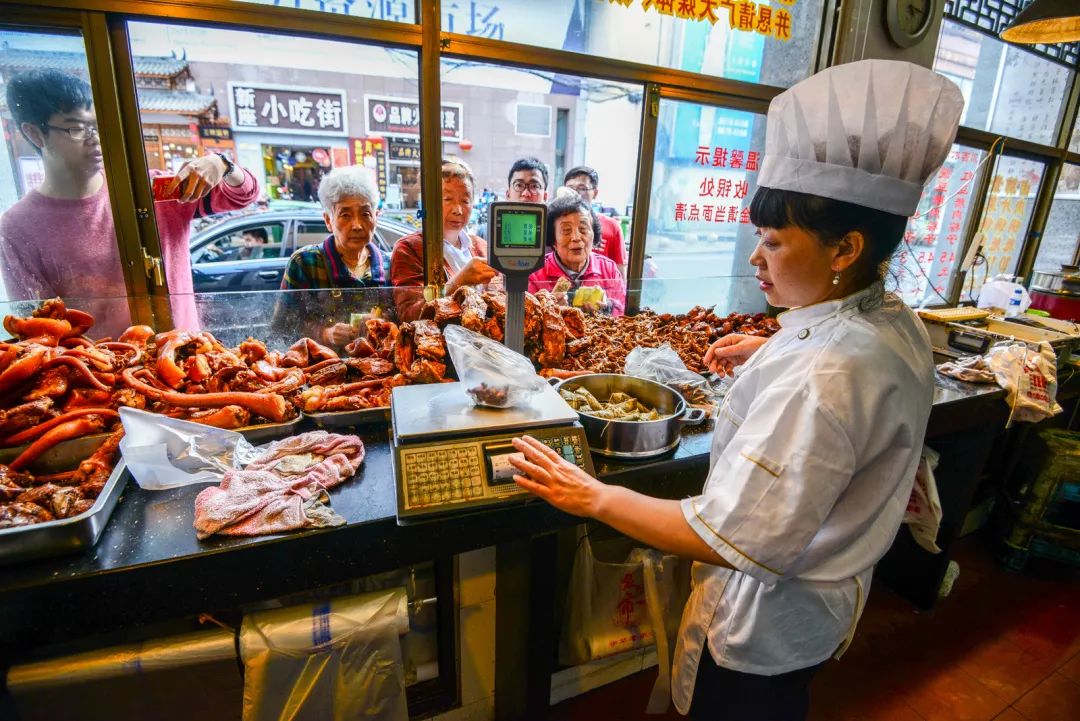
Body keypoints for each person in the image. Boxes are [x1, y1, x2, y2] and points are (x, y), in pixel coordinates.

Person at [508, 60, 964, 720]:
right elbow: (840, 353)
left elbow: (726, 533)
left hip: (765, 625)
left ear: (845, 249)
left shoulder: (826, 377)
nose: (756, 260)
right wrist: (773, 347)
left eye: (775, 243)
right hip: (821, 611)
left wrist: (595, 495)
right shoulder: (893, 320)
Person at [0, 70, 259, 335]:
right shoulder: (18, 226)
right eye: (77, 128)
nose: (96, 139)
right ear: (34, 134)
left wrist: (222, 164)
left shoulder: (151, 190)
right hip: (101, 371)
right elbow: (35, 326)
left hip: (184, 359)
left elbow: (243, 195)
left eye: (97, 126)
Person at [271, 165, 388, 347]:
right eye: (345, 215)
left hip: (376, 370)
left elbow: (401, 322)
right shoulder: (305, 263)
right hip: (320, 371)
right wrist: (325, 334)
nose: (357, 225)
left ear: (376, 217)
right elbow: (281, 328)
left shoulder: (388, 265)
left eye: (365, 214)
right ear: (328, 220)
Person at [391, 157, 498, 322]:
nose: (458, 210)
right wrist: (459, 282)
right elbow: (409, 315)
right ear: (429, 201)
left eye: (465, 201)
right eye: (447, 199)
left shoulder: (482, 247)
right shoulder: (409, 249)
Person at [528, 188, 626, 316]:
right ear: (553, 240)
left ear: (594, 234)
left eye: (583, 229)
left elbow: (623, 309)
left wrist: (607, 308)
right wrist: (550, 310)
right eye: (566, 230)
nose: (576, 237)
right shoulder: (535, 273)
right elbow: (528, 318)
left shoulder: (609, 269)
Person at [564, 165, 628, 277]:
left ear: (595, 193)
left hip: (600, 291)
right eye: (570, 188)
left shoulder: (612, 226)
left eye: (582, 188)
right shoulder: (555, 224)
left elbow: (620, 273)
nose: (575, 193)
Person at [476, 157, 549, 240]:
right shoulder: (485, 234)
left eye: (534, 186)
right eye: (519, 185)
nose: (526, 193)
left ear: (545, 196)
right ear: (508, 194)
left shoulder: (553, 236)